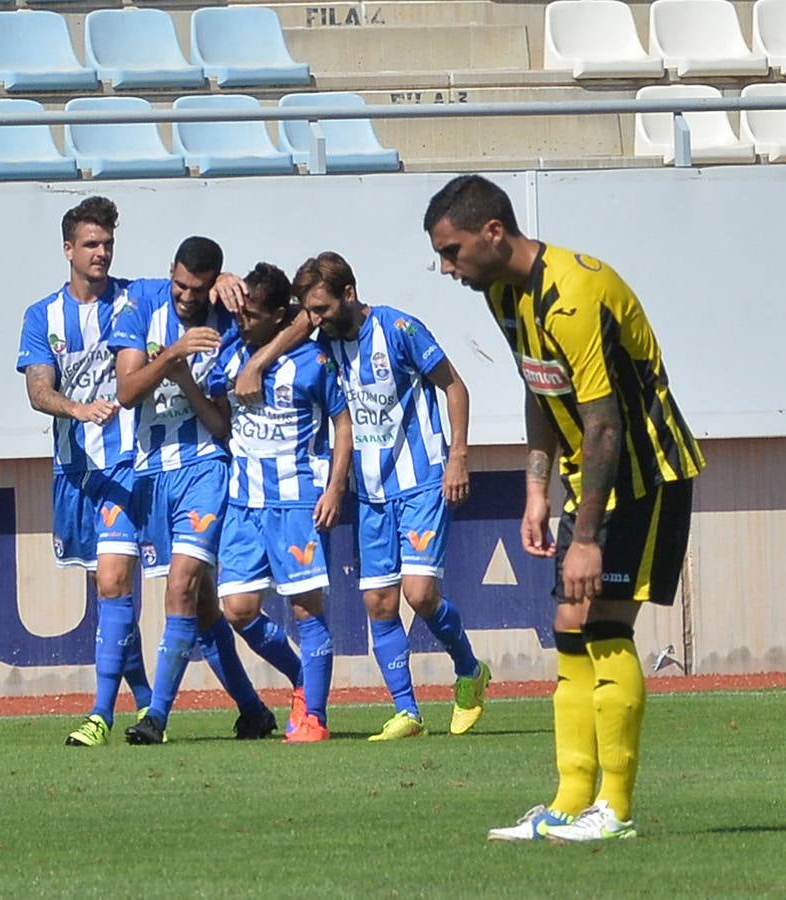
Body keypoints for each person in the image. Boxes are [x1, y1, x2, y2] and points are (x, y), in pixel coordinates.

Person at [423, 175, 705, 842]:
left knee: (603, 625)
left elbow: (604, 423)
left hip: (643, 475)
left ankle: (614, 807)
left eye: (452, 250)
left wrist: (584, 538)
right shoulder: (502, 290)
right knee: (569, 627)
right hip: (588, 479)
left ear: (493, 232)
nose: (445, 266)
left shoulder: (573, 294)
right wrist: (535, 488)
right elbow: (539, 388)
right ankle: (568, 800)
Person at [294, 251, 491, 741]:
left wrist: (458, 456)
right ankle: (408, 712)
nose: (314, 321)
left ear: (349, 293)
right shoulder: (323, 345)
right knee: (380, 603)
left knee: (420, 595)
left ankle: (469, 672)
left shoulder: (399, 329)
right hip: (370, 494)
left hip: (422, 479)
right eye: (308, 313)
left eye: (320, 310)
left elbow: (455, 387)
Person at [109, 237, 277, 744]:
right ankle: (259, 706)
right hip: (151, 471)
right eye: (180, 285)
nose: (186, 296)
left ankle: (155, 717)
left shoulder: (228, 322)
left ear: (213, 284)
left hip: (205, 467)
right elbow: (126, 392)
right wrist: (176, 357)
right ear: (170, 274)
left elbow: (223, 425)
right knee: (203, 608)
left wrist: (237, 287)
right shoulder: (142, 305)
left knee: (180, 585)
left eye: (198, 288)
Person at [16, 196, 152, 747]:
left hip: (127, 464)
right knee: (108, 592)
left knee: (117, 584)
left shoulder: (134, 300)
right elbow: (38, 390)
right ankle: (149, 706)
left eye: (108, 244)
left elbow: (190, 285)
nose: (101, 252)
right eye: (91, 244)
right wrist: (77, 409)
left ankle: (101, 714)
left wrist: (227, 278)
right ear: (68, 249)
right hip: (76, 470)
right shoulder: (42, 316)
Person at [210, 262, 353, 743]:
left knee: (306, 612)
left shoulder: (312, 363)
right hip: (243, 503)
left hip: (297, 502)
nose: (241, 321)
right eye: (241, 313)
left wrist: (335, 487)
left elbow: (343, 423)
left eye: (251, 315)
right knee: (237, 608)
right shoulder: (232, 349)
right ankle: (299, 678)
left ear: (277, 317)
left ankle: (314, 715)